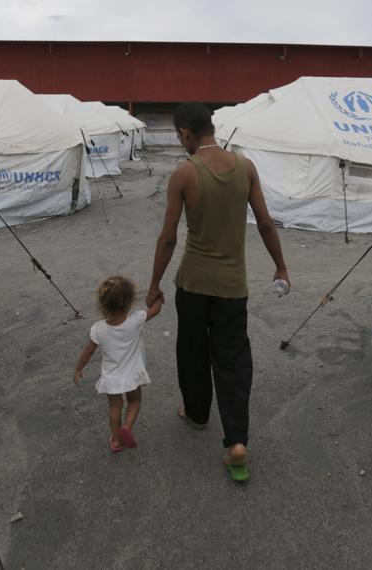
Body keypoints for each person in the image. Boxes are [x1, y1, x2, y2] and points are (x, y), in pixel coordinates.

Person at [147, 102, 289, 482]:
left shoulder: (184, 174)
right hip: (231, 287)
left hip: (192, 284)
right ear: (211, 126)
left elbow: (167, 237)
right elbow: (264, 222)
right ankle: (236, 442)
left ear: (184, 134)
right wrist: (281, 265)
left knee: (192, 349)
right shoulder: (246, 168)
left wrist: (154, 285)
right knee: (233, 359)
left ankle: (196, 412)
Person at [74, 275, 164, 452]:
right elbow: (156, 309)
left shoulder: (98, 329)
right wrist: (158, 296)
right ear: (129, 302)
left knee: (115, 407)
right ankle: (127, 428)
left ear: (103, 304)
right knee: (135, 401)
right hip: (132, 376)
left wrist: (78, 369)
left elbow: (88, 351)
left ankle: (116, 440)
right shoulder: (136, 320)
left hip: (112, 378)